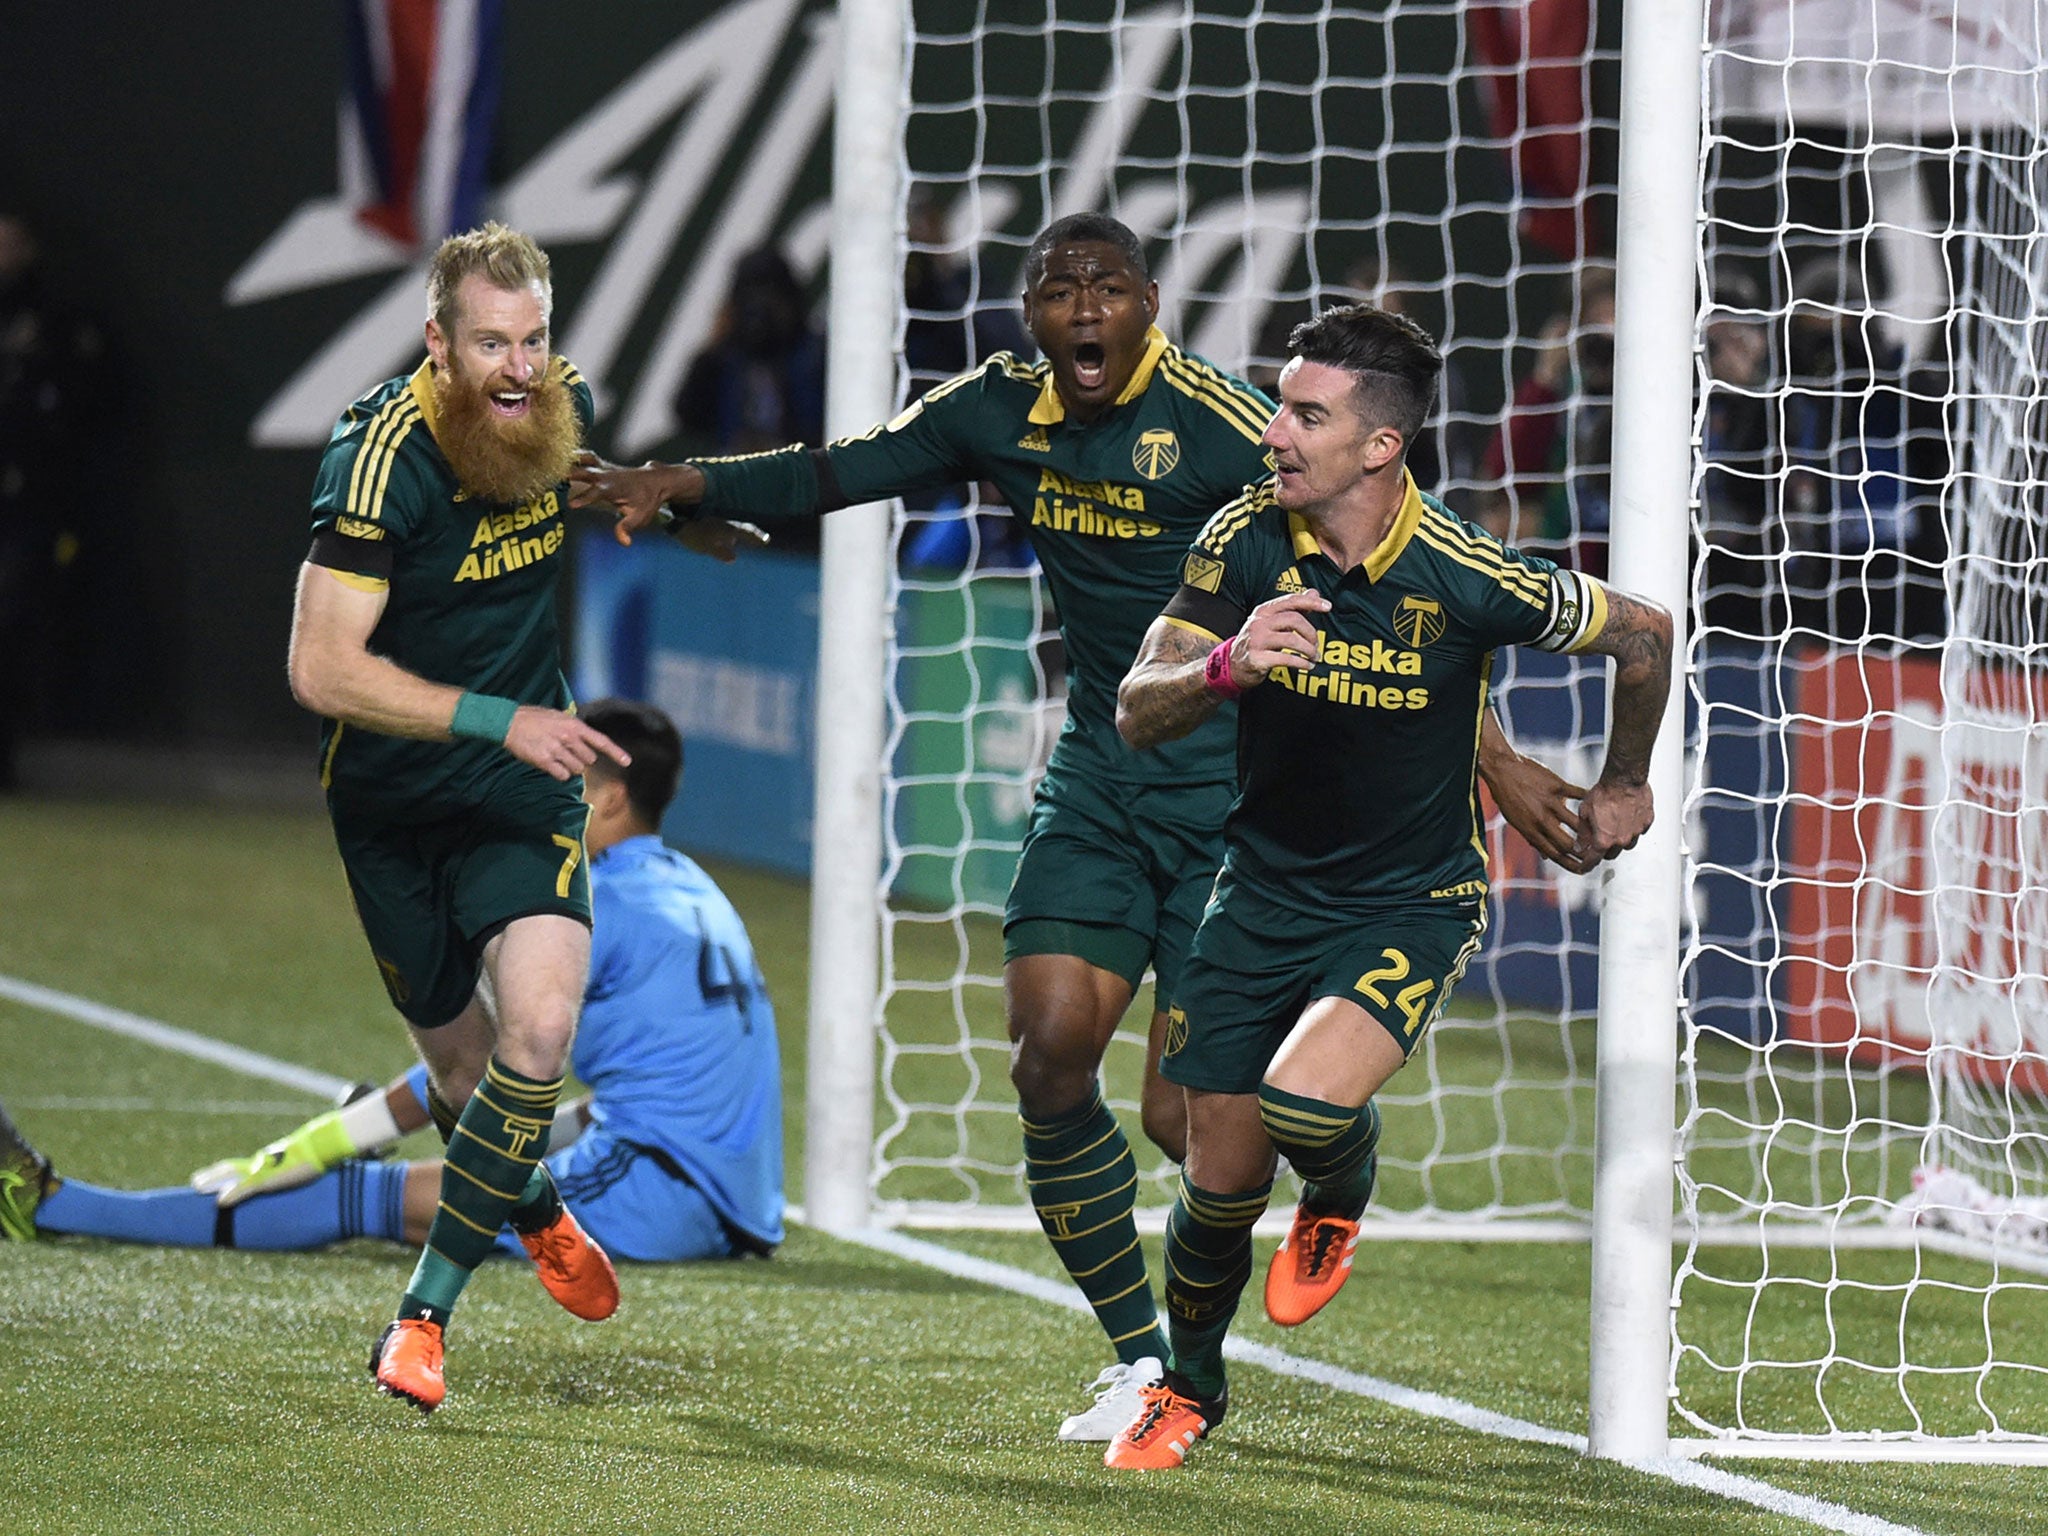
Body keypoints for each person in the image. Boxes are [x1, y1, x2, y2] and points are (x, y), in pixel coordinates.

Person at [569, 213, 1587, 1441]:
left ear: (1151, 304)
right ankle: (1140, 1357)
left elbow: (1390, 609)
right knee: (1049, 1050)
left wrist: (1497, 762)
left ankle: (1337, 1155)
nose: (1086, 307)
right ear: (1033, 314)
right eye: (1060, 289)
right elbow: (839, 470)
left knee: (1181, 1118)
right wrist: (682, 486)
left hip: (1242, 812)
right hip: (1105, 780)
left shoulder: (1226, 433)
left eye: (1110, 286)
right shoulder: (997, 409)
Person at [1106, 303, 1672, 1468]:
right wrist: (1225, 663)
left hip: (1408, 900)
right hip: (1255, 892)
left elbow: (1644, 632)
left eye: (1303, 414)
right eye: (1278, 404)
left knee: (1303, 1108)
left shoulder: (1465, 573)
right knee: (1212, 1173)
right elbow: (1134, 707)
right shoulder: (1242, 539)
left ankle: (1336, 1193)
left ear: (1379, 447)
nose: (1272, 433)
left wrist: (1621, 785)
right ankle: (1189, 1390)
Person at [283, 221, 756, 1415]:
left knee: (537, 1038)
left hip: (517, 783)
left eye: (533, 338)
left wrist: (676, 512)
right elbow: (320, 669)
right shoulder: (377, 457)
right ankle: (536, 1210)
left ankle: (420, 1322)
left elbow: (574, 478)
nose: (518, 366)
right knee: (463, 1069)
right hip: (393, 799)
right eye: (489, 341)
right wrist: (498, 718)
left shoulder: (554, 401)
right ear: (436, 344)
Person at [0, 699, 784, 1265]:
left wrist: (324, 1140)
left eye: (561, 769)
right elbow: (656, 1090)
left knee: (355, 1198)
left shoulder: (598, 900)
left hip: (664, 1192)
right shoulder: (689, 886)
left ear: (607, 796)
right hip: (727, 1193)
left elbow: (485, 1060)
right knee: (440, 1164)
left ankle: (61, 1205)